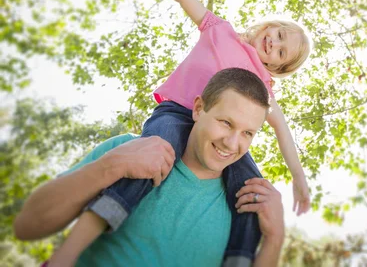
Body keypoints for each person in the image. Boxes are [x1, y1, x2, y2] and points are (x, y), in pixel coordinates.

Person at [45, 0, 311, 267]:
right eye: (279, 34)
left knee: (253, 193)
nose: (275, 44)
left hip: (223, 131)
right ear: (269, 26)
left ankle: (238, 259)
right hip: (177, 115)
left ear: (277, 66)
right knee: (147, 159)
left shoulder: (262, 85)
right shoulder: (220, 30)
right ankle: (67, 254)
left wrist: (298, 177)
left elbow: (282, 129)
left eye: (281, 52)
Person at [14, 68, 285, 267]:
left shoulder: (244, 202)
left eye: (247, 133)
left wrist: (274, 239)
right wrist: (111, 166)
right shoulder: (130, 150)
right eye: (226, 123)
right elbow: (26, 227)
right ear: (199, 109)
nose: (232, 142)